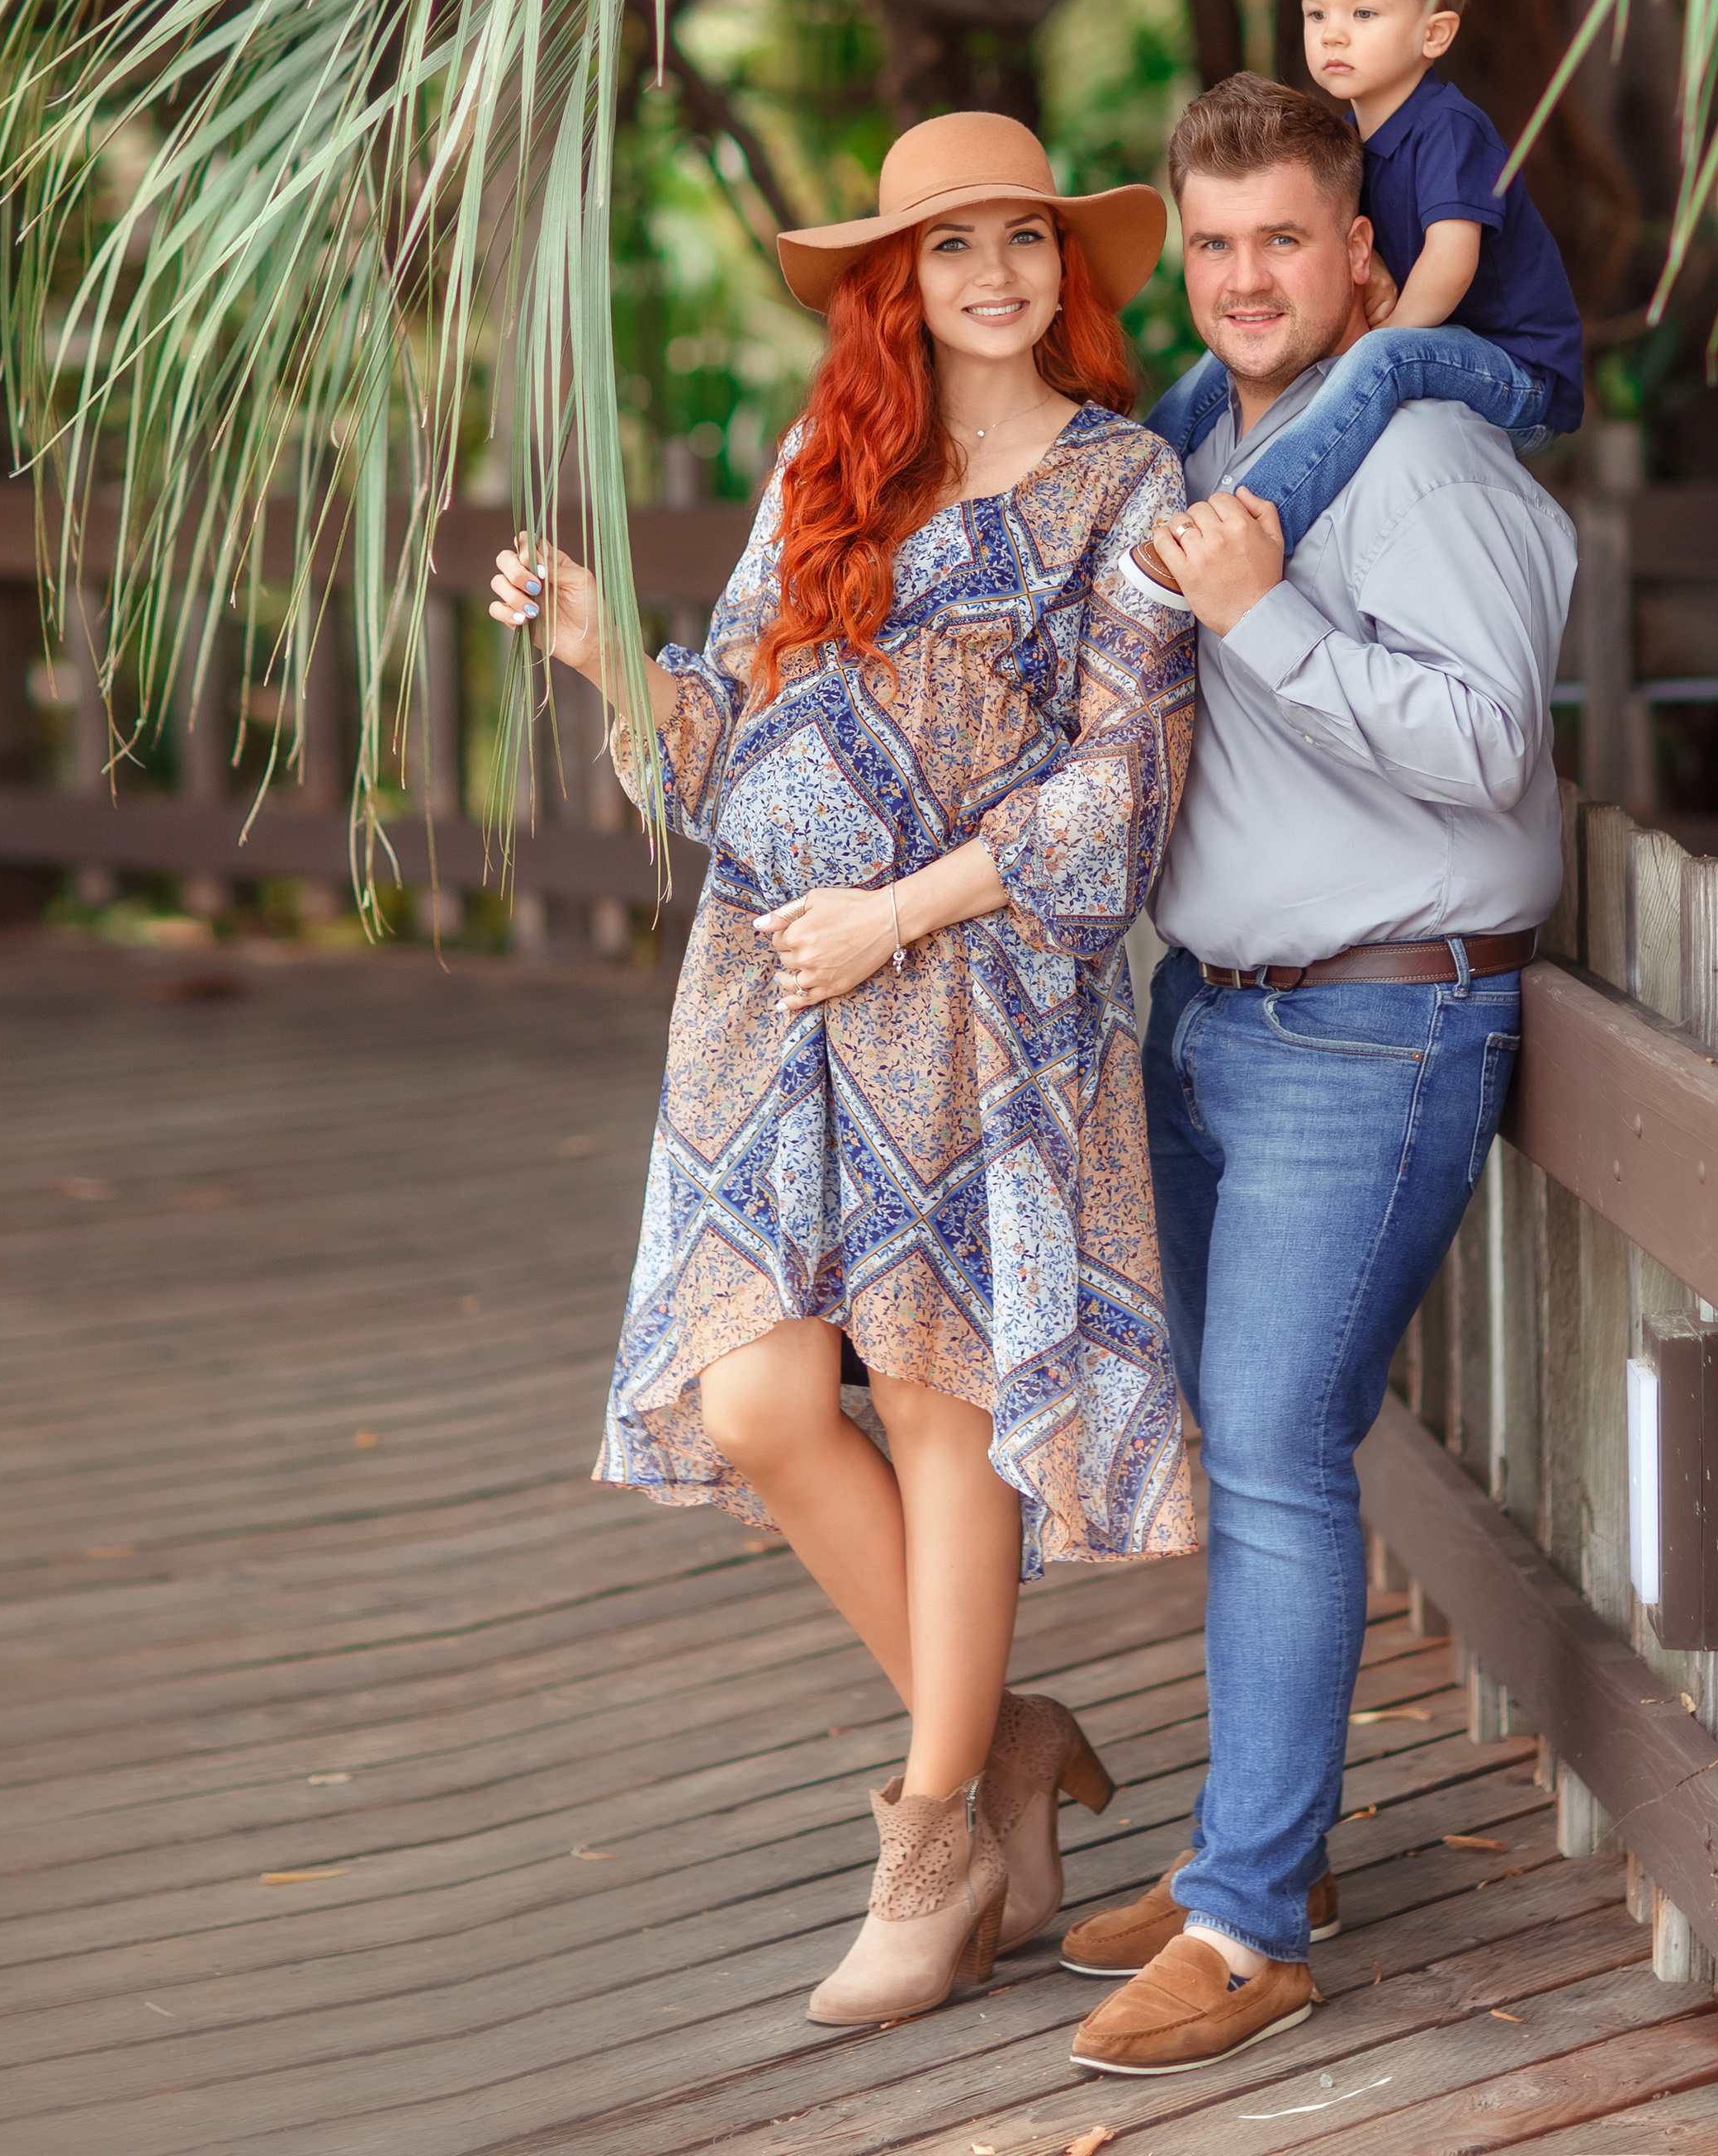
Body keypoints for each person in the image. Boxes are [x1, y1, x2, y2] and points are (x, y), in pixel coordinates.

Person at [486, 114, 1199, 2034]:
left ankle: (932, 1831)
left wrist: (900, 912)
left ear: (1068, 266)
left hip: (968, 990)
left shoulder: (1122, 483)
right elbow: (720, 736)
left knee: (937, 1393)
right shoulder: (830, 461)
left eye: (1023, 241)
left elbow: (1115, 792)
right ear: (896, 275)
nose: (992, 275)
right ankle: (1006, 1732)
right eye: (950, 245)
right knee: (754, 1397)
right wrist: (596, 661)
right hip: (772, 994)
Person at [1059, 73, 1577, 2078]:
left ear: (1362, 249)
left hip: (1374, 1017)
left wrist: (1256, 613)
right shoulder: (1211, 432)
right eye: (1213, 245)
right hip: (1216, 1015)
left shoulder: (1426, 449)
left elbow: (1478, 748)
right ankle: (1255, 1852)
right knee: (1244, 1441)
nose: (1246, 275)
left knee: (1273, 1451)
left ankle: (1245, 1921)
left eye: (1284, 236)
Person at [1145, 0, 1583, 572]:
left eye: (1364, 13)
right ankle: (1132, 488)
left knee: (1381, 359)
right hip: (1441, 343)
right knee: (1217, 359)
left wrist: (1386, 336)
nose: (1333, 34)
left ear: (1434, 33)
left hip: (1517, 369)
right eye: (1317, 14)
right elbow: (1363, 239)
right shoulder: (1349, 139)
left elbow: (1451, 257)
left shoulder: (1449, 128)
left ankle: (1257, 521)